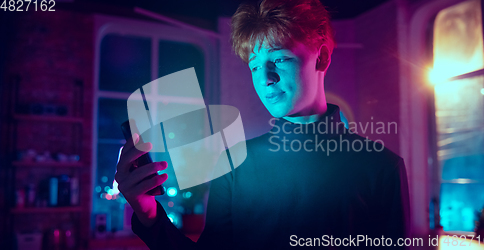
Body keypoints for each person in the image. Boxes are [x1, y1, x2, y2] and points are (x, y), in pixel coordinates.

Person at [115, 0, 410, 249]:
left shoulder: (382, 168)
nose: (265, 78)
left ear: (321, 57)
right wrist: (149, 214)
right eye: (255, 65)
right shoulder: (232, 164)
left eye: (279, 59)